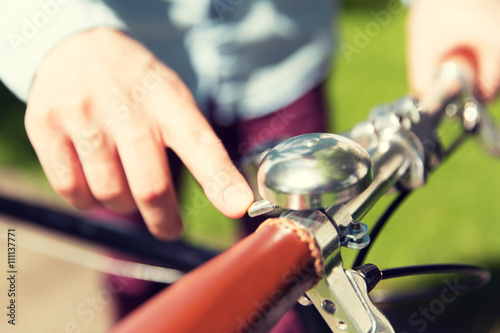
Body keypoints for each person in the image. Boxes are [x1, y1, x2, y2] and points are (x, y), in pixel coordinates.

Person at [1, 0, 500, 331]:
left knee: (293, 288)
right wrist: (53, 33)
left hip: (280, 64)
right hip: (115, 93)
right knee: (137, 281)